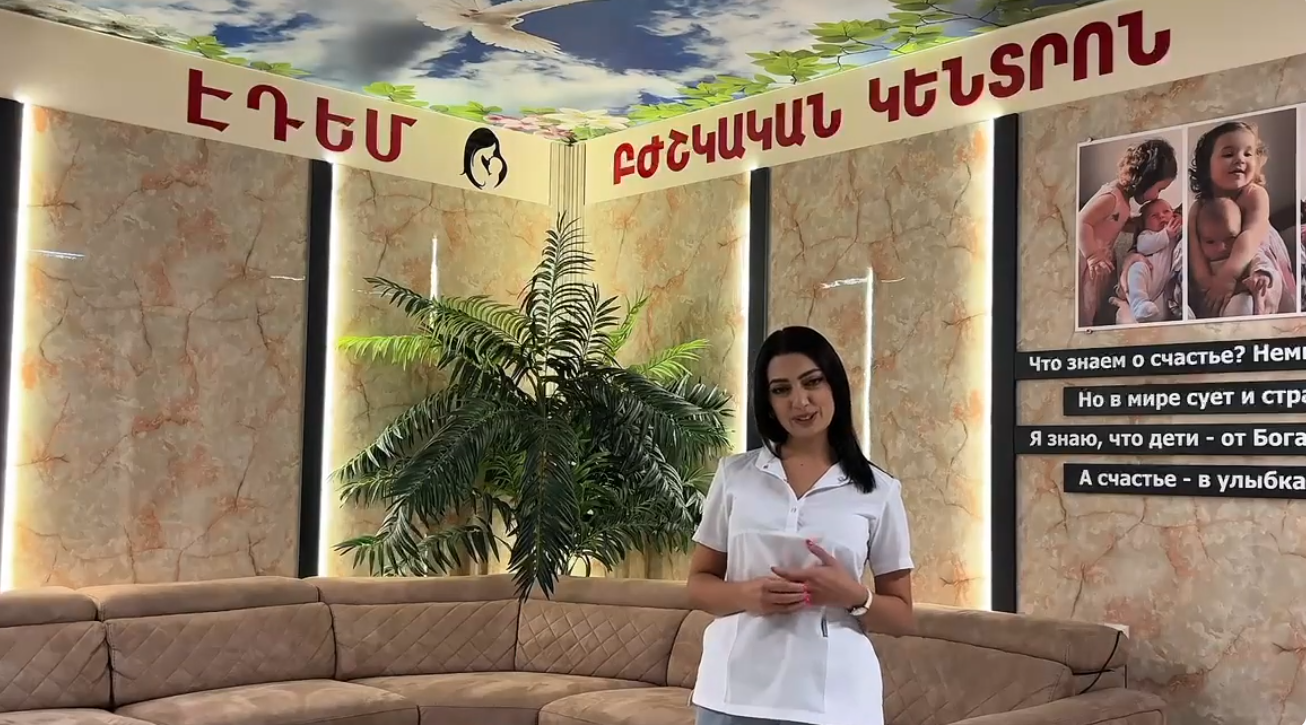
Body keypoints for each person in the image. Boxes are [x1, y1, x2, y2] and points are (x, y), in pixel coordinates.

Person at [686, 326, 914, 725]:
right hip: (731, 695)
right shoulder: (735, 476)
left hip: (837, 702)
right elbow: (698, 584)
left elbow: (902, 618)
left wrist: (853, 595)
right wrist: (747, 594)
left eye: (812, 382)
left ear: (834, 386)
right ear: (768, 402)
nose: (800, 401)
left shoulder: (879, 491)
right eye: (781, 389)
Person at [1186, 120, 1297, 317]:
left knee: (1259, 292)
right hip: (1214, 268)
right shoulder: (1198, 207)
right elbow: (1194, 249)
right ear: (1206, 165)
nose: (1240, 159)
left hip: (1252, 260)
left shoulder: (1254, 195)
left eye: (1248, 154)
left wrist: (1228, 276)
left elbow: (1251, 237)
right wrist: (1207, 283)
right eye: (1229, 154)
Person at [1076, 138, 1179, 327]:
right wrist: (1092, 255)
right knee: (1082, 306)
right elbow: (1082, 221)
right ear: (1146, 179)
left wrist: (1143, 220)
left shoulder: (1122, 201)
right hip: (1087, 256)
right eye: (1158, 189)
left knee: (1091, 304)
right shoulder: (1111, 197)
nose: (1157, 196)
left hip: (1101, 259)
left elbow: (1116, 219)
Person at [1115, 198, 1183, 324]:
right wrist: (1166, 234)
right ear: (1145, 224)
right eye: (1154, 216)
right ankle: (1139, 303)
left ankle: (1147, 313)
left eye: (1166, 212)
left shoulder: (1177, 235)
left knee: (1159, 313)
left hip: (1161, 290)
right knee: (1137, 268)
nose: (1161, 216)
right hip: (1147, 277)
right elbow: (1143, 247)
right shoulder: (1146, 235)